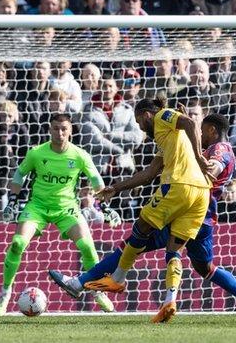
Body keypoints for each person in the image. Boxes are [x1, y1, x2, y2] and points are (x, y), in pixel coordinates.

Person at [49, 114, 236, 319]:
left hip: (188, 209)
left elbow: (214, 166)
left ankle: (81, 283)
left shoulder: (220, 148)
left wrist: (200, 162)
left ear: (211, 129)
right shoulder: (202, 145)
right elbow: (157, 169)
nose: (200, 136)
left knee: (133, 242)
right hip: (204, 218)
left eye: (203, 131)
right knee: (205, 268)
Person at [84, 96, 212, 323]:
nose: (140, 127)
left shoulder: (162, 116)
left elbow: (191, 124)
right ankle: (169, 302)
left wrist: (200, 156)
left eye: (139, 122)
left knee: (141, 227)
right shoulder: (169, 138)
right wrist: (115, 188)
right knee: (174, 251)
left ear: (147, 115)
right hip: (201, 193)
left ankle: (118, 278)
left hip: (179, 185)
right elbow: (149, 174)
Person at [0, 114, 121, 316]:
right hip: (37, 207)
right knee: (17, 243)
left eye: (63, 129)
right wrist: (13, 201)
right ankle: (5, 292)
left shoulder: (79, 155)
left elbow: (97, 182)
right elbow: (19, 174)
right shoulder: (36, 153)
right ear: (49, 130)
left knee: (87, 245)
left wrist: (104, 208)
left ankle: (97, 291)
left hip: (67, 209)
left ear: (70, 130)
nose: (59, 133)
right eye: (55, 128)